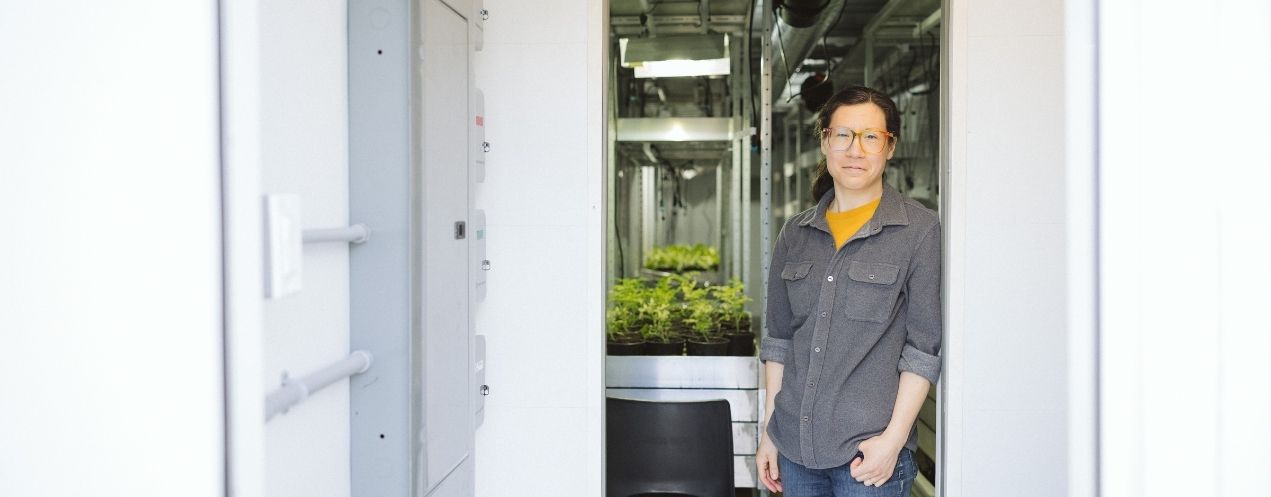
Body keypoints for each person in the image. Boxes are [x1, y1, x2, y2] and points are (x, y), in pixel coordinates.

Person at [755, 86, 942, 496]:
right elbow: (780, 341)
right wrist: (771, 432)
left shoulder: (918, 232)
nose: (855, 150)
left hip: (869, 457)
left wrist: (892, 442)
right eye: (843, 135)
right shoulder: (796, 234)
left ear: (889, 147)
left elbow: (923, 350)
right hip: (795, 451)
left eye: (871, 136)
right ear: (825, 141)